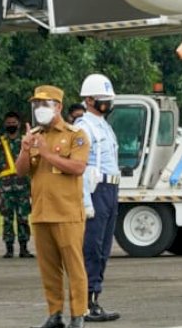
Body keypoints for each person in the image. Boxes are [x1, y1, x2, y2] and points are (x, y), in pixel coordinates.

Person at [16, 85, 90, 328]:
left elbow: (78, 168)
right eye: (36, 105)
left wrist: (47, 154)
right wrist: (26, 150)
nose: (39, 109)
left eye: (44, 104)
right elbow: (21, 171)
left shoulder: (75, 135)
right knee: (48, 269)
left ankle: (78, 314)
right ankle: (55, 313)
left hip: (67, 213)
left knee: (74, 267)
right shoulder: (35, 135)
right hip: (41, 212)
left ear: (58, 107)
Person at [75, 74, 121, 322]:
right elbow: (82, 167)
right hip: (96, 190)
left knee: (103, 247)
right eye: (103, 99)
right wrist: (86, 201)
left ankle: (94, 298)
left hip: (110, 190)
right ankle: (86, 301)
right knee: (92, 247)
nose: (107, 103)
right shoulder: (84, 127)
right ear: (89, 100)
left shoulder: (103, 125)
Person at [0, 111, 34, 258]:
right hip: (5, 187)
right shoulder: (0, 143)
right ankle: (8, 248)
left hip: (23, 187)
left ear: (19, 124)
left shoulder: (25, 142)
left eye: (14, 123)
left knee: (23, 218)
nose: (11, 125)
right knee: (7, 218)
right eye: (8, 123)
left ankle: (24, 247)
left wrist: (34, 187)